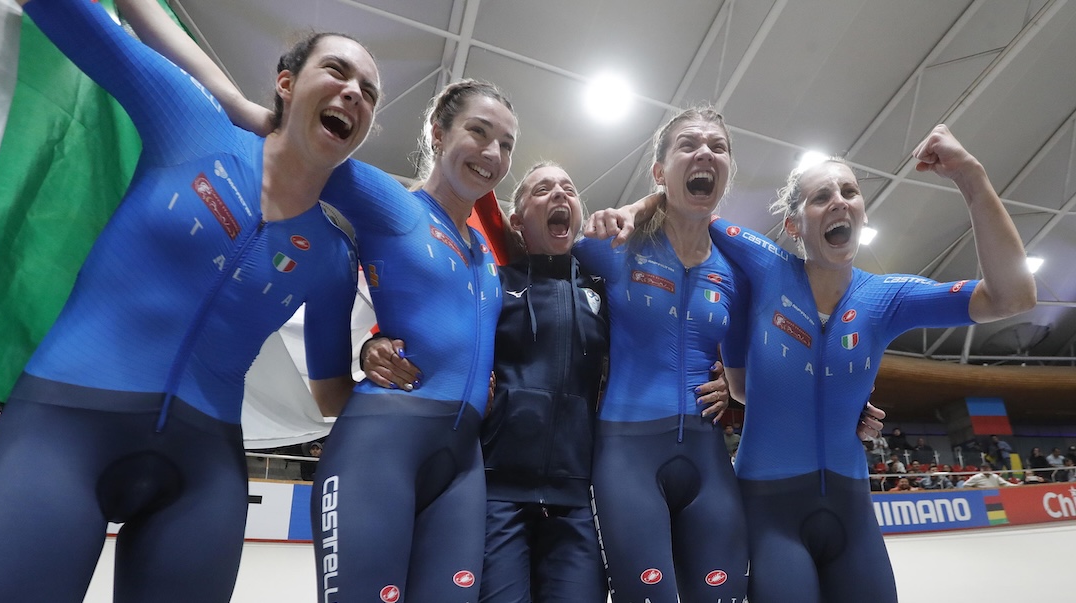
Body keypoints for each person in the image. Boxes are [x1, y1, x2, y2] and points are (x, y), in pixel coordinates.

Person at [0, 1, 378, 601]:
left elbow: (332, 395)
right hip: (61, 433)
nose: (354, 93)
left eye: (370, 93)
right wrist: (227, 96)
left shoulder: (330, 256)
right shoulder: (192, 124)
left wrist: (385, 363)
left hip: (202, 476)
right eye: (337, 71)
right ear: (286, 83)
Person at [132, 15, 520, 598]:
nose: (492, 153)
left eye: (506, 144)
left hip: (463, 470)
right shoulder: (392, 204)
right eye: (479, 132)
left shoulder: (488, 260)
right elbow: (279, 134)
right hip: (379, 455)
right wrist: (255, 109)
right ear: (438, 133)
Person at [595, 124, 1035, 602]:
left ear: (863, 214)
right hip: (769, 513)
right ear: (794, 224)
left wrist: (971, 177)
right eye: (821, 196)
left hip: (852, 510)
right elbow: (686, 201)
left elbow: (1013, 295)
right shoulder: (764, 268)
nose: (840, 202)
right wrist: (633, 208)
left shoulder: (889, 298)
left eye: (849, 192)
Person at [362, 162, 733, 603]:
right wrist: (375, 344)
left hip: (575, 499)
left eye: (569, 188)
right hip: (496, 494)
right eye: (542, 190)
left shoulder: (604, 286)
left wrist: (722, 374)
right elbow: (433, 331)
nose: (559, 194)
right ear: (517, 223)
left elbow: (655, 343)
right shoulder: (492, 284)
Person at [568, 108, 752, 602]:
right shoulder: (616, 244)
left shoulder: (737, 268)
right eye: (688, 144)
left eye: (718, 146)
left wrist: (732, 389)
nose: (705, 153)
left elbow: (746, 373)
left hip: (708, 456)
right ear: (659, 171)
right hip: (627, 454)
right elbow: (536, 250)